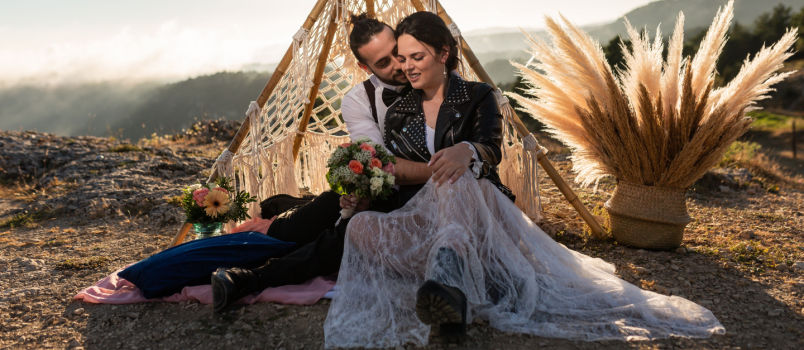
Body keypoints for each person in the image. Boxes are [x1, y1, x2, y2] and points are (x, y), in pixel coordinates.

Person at [322, 11, 725, 348]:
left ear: (443, 53)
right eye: (401, 58)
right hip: (426, 213)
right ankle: (452, 280)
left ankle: (448, 297)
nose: (407, 66)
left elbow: (492, 149)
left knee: (456, 179)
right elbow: (396, 169)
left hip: (478, 206)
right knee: (360, 228)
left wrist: (470, 152)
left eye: (417, 56)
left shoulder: (477, 95)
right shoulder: (397, 111)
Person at [210, 14, 424, 313]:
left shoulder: (431, 77)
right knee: (307, 220)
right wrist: (361, 190)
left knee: (343, 236)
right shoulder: (359, 100)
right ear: (366, 68)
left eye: (397, 53)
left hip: (423, 191)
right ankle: (291, 209)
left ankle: (253, 279)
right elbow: (378, 159)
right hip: (387, 183)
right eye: (384, 63)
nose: (399, 65)